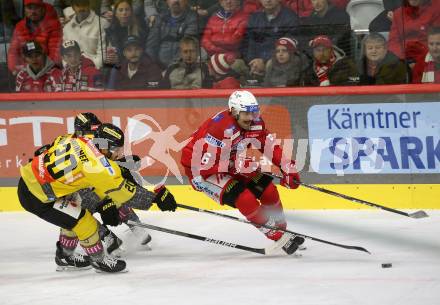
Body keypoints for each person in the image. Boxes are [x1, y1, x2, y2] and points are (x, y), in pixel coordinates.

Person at [18, 122, 177, 273]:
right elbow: (124, 193)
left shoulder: (79, 139)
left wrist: (118, 165)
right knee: (84, 223)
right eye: (117, 150)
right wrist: (155, 199)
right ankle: (99, 260)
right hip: (38, 197)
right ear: (106, 147)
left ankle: (65, 256)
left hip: (32, 180)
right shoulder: (99, 169)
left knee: (73, 213)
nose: (119, 154)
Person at [180, 90, 305, 255]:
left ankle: (283, 232)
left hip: (229, 162)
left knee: (268, 191)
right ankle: (276, 235)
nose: (251, 117)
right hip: (201, 171)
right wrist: (235, 164)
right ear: (233, 112)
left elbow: (267, 145)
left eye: (254, 112)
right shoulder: (219, 128)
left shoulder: (255, 122)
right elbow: (203, 165)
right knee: (245, 198)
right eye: (246, 113)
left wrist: (287, 166)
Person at [244, 0, 299, 78]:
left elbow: (288, 47)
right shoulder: (254, 17)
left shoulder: (290, 18)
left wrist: (264, 61)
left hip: (278, 62)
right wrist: (253, 61)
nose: (268, 0)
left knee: (271, 64)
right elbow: (249, 43)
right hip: (255, 62)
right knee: (236, 65)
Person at [7, 0, 62, 75]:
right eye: (29, 8)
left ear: (43, 9)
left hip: (47, 71)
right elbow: (13, 52)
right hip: (25, 70)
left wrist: (43, 71)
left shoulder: (54, 25)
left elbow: (55, 52)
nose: (33, 11)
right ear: (25, 9)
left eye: (36, 8)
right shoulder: (20, 26)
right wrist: (16, 69)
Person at [146, 0, 198, 68]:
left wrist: (171, 69)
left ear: (186, 1)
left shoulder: (192, 18)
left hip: (181, 67)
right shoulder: (159, 18)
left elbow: (187, 47)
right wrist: (152, 66)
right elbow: (151, 46)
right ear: (167, 1)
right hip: (158, 67)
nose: (176, 1)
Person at [387, 0, 440, 64]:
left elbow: (436, 40)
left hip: (427, 57)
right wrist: (403, 58)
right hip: (404, 59)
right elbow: (393, 41)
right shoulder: (398, 13)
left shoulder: (436, 9)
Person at [63, 0, 110, 69]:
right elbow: (65, 55)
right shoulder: (67, 28)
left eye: (84, 4)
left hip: (94, 70)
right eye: (78, 5)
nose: (81, 8)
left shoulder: (102, 24)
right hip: (73, 70)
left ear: (89, 5)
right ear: (73, 7)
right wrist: (71, 69)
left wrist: (89, 70)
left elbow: (102, 55)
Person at [104, 0, 149, 66]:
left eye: (127, 9)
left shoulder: (140, 30)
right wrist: (113, 59)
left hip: (136, 64)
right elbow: (111, 54)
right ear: (115, 14)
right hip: (118, 66)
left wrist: (120, 59)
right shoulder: (110, 31)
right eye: (121, 10)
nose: (124, 13)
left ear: (131, 12)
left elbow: (142, 53)